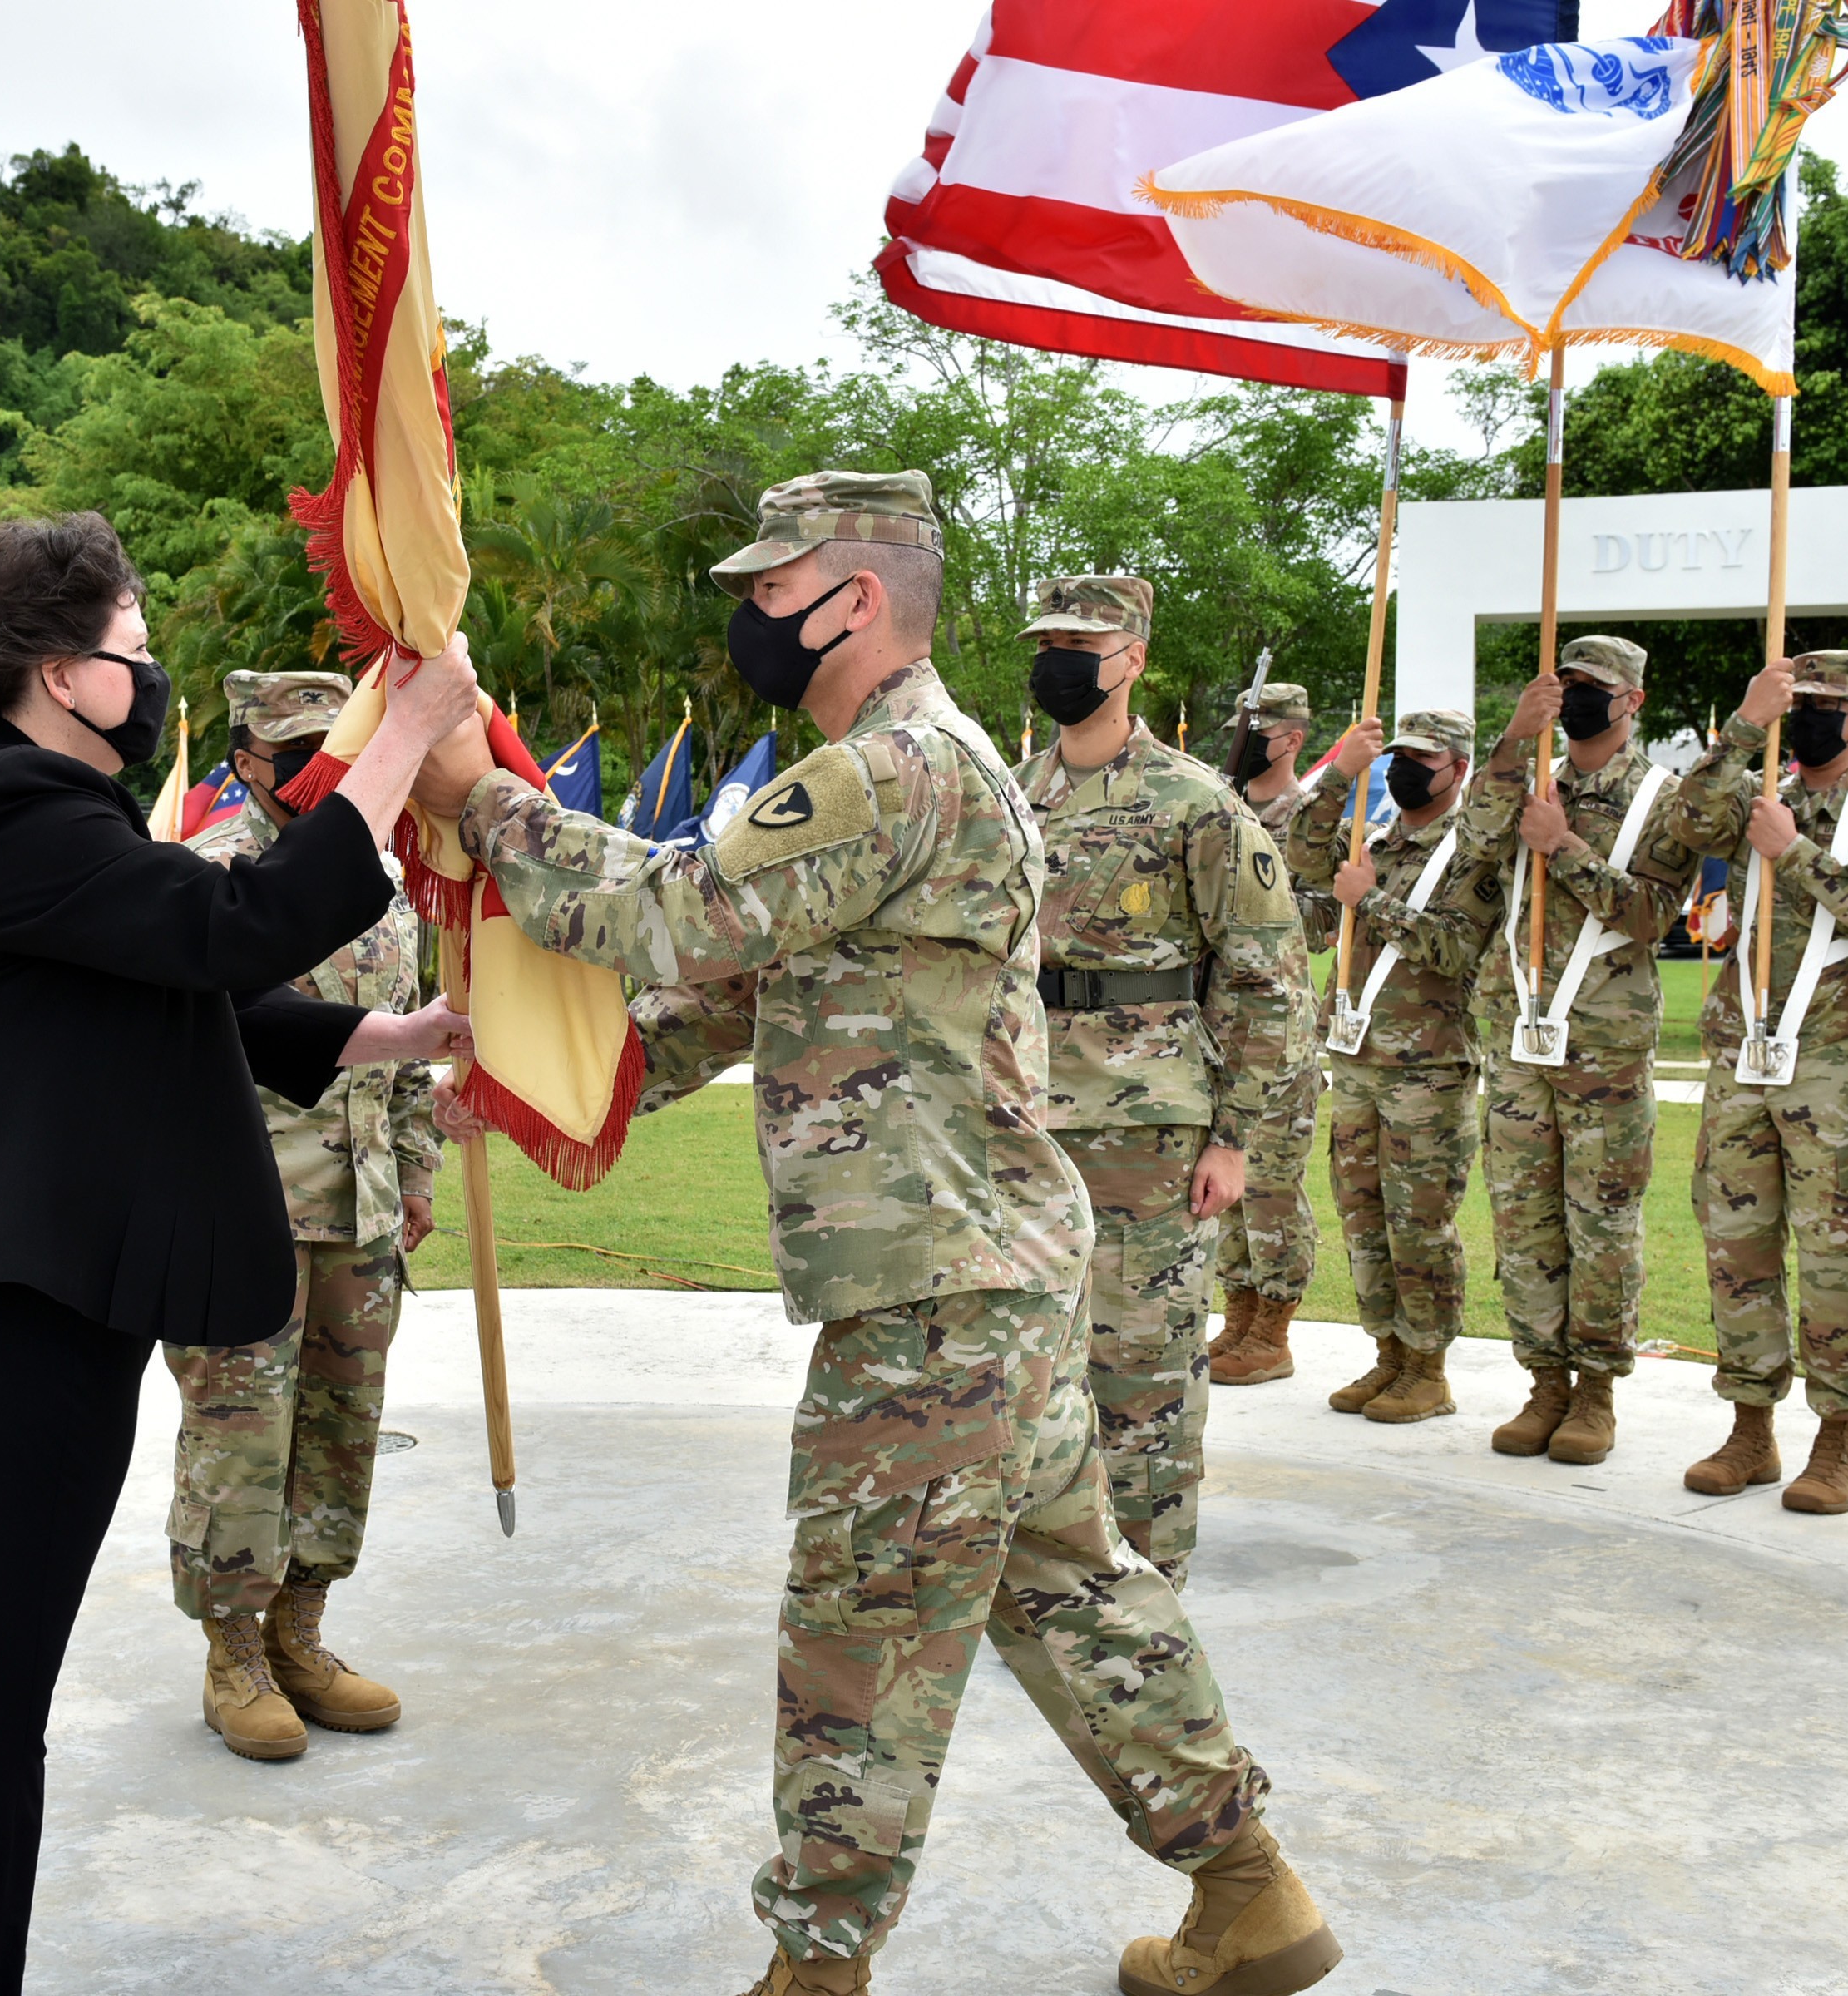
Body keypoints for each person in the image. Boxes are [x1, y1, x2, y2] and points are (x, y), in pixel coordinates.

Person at [411, 472, 1339, 1996]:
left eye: (768, 590)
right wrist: (536, 1089)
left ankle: (816, 1973)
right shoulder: (918, 771)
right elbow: (728, 992)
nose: (746, 617)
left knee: (862, 1639)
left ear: (850, 598)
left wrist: (485, 800)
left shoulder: (892, 768)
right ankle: (1251, 1894)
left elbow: (671, 913)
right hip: (995, 1281)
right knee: (1072, 1597)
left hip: (935, 1298)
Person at [0, 512, 476, 1995]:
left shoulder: (0, 803)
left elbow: (169, 988)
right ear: (56, 673)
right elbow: (239, 924)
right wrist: (409, 726)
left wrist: (377, 1034)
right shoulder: (15, 808)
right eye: (135, 654)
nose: (152, 679)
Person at [167, 669, 445, 1759]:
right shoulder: (199, 882)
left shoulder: (383, 879)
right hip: (239, 1212)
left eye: (342, 743)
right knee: (240, 1442)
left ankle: (301, 1636)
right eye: (298, 747)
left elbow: (411, 1052)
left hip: (362, 1212)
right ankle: (231, 1654)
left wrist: (415, 1174)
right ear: (246, 758)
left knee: (337, 1438)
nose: (321, 762)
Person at [1012, 580, 1311, 1583]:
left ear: (1131, 657)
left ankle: (1149, 1593)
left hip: (1148, 1129)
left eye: (1079, 642)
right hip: (1021, 1119)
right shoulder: (1013, 795)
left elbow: (1267, 979)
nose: (1057, 657)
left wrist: (1235, 1139)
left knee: (1142, 1372)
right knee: (1033, 1362)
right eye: (1046, 640)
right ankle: (1055, 1576)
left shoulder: (1199, 803)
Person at [1665, 654, 1848, 1513]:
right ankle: (1751, 1426)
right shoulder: (1757, 793)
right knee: (1736, 1242)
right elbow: (1686, 823)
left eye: (1834, 707)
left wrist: (1792, 853)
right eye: (1805, 707)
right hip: (1745, 1045)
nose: (1819, 719)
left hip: (1837, 1051)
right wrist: (1746, 724)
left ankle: (1839, 1440)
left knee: (1834, 1251)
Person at [1455, 638, 1697, 1465]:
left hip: (1603, 1033)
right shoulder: (1529, 777)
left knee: (1600, 1217)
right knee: (1523, 1214)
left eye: (1597, 688)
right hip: (1517, 1027)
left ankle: (1595, 1387)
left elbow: (1653, 915)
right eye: (1570, 687)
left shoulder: (1664, 796)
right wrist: (1513, 743)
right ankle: (1543, 1377)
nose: (1581, 699)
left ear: (1633, 700)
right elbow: (1470, 852)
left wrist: (1564, 845)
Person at [1288, 709, 1494, 1421]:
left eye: (1422, 758)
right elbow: (1299, 853)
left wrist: (1369, 901)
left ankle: (1429, 1369)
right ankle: (1389, 1354)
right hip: (1358, 1057)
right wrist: (1341, 773)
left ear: (1459, 768)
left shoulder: (1470, 851)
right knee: (1363, 1216)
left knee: (1420, 1222)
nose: (1405, 769)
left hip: (1427, 1067)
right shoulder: (1370, 837)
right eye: (1397, 756)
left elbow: (1458, 950)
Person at [1210, 682, 1334, 1386]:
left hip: (1280, 1029)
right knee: (1225, 1181)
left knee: (1272, 1185)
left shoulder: (1308, 817)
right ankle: (1239, 1316)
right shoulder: (1222, 807)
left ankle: (1275, 1329)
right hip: (1217, 1024)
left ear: (1289, 739)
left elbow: (1314, 921)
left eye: (1255, 729)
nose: (1242, 740)